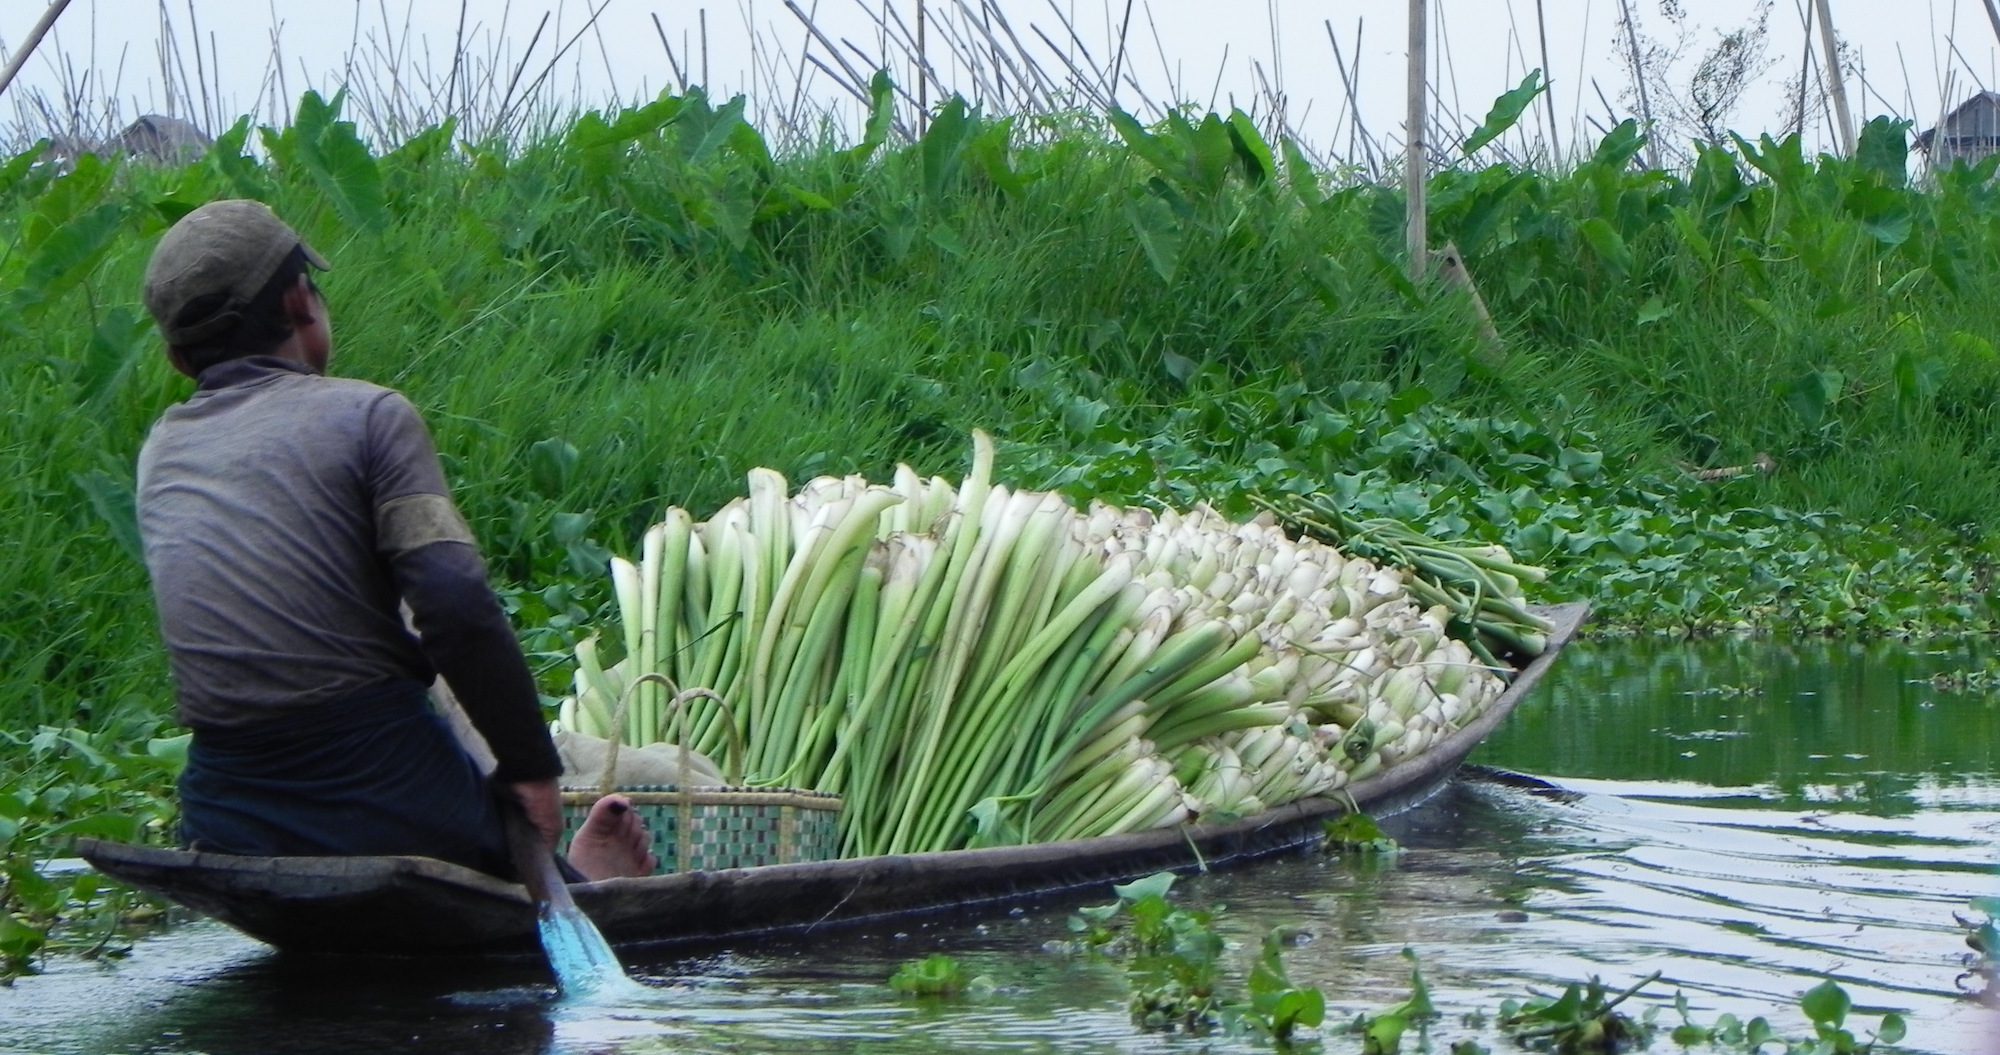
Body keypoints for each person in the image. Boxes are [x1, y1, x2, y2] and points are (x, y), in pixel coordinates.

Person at [135, 199, 655, 882]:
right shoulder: (369, 415)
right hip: (380, 787)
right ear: (300, 301)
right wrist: (531, 768)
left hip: (226, 806)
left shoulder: (162, 450)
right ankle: (586, 881)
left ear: (177, 358)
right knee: (512, 849)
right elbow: (454, 599)